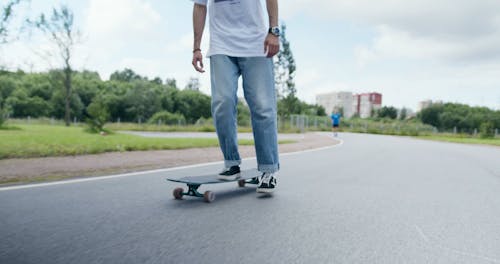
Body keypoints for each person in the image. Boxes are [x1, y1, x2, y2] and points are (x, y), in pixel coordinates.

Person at [191, 0, 280, 193]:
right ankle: (231, 163)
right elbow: (199, 5)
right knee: (222, 102)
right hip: (221, 45)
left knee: (263, 107)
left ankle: (268, 169)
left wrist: (273, 31)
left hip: (256, 44)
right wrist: (196, 47)